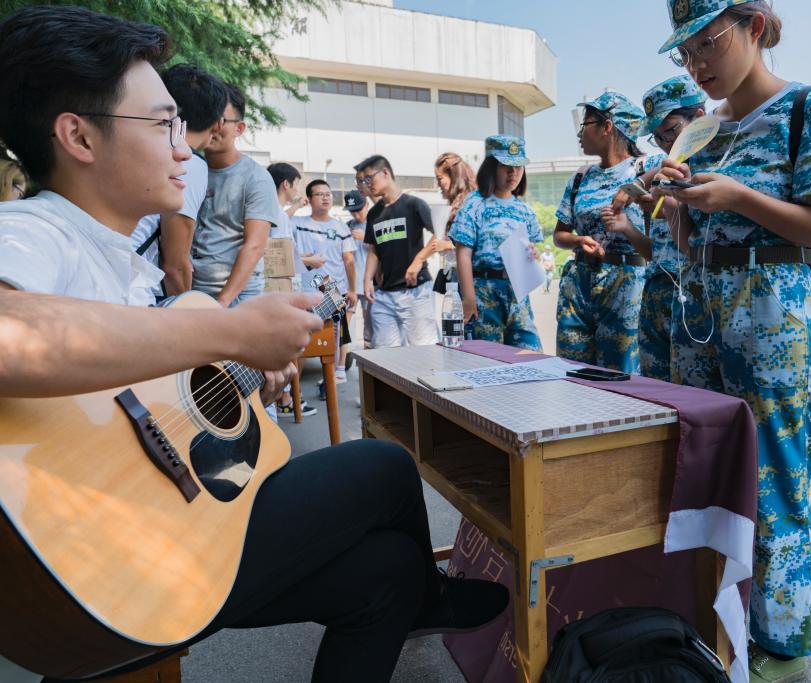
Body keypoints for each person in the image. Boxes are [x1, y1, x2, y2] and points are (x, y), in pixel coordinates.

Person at [0, 7, 508, 683]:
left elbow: (143, 394)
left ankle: (419, 595)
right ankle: (432, 596)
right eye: (163, 125)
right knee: (384, 465)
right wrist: (233, 330)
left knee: (386, 572)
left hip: (158, 534)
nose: (185, 149)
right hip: (115, 555)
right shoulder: (34, 230)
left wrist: (236, 382)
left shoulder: (127, 264)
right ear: (78, 137)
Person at [656, 2, 811, 680]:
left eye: (708, 43)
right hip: (702, 315)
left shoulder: (810, 107)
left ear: (753, 25)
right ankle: (716, 619)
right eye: (685, 53)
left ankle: (781, 643)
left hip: (774, 317)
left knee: (774, 482)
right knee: (706, 472)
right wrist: (680, 201)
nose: (697, 65)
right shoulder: (705, 129)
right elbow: (691, 239)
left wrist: (739, 197)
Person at [607, 74, 706, 381]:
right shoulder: (662, 172)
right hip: (657, 289)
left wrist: (672, 208)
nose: (666, 144)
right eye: (658, 138)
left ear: (699, 118)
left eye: (671, 131)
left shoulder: (716, 166)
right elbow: (656, 251)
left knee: (695, 391)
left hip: (697, 293)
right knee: (656, 389)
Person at [553, 91, 647, 372]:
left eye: (585, 124)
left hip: (625, 285)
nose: (580, 133)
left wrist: (635, 189)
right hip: (579, 284)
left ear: (607, 127)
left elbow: (672, 169)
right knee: (572, 370)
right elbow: (559, 235)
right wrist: (578, 240)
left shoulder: (643, 170)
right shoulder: (580, 177)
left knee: (620, 374)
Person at [131, 64, 227, 297]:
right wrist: (184, 311)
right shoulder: (189, 163)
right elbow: (174, 265)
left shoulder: (140, 145)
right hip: (132, 285)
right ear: (219, 123)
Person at [449, 135, 544, 350]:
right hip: (484, 292)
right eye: (506, 167)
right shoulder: (474, 204)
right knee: (489, 358)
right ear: (491, 167)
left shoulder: (524, 210)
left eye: (518, 167)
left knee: (531, 355)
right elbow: (463, 253)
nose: (513, 173)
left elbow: (531, 249)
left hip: (518, 294)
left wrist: (532, 253)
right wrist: (469, 299)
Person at [191, 84, 278, 306]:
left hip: (236, 296)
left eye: (220, 119)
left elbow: (255, 246)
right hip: (191, 290)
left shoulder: (256, 178)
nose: (213, 125)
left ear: (239, 128)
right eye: (207, 116)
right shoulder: (188, 169)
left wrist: (223, 302)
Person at [356, 155, 439, 348]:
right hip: (384, 295)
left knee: (424, 351)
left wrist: (419, 260)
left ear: (385, 173)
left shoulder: (413, 204)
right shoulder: (374, 213)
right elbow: (373, 249)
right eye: (363, 180)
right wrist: (367, 279)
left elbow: (440, 233)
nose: (367, 184)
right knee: (385, 355)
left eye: (369, 178)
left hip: (415, 292)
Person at [293, 179, 358, 384]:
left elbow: (349, 260)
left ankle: (336, 374)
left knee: (336, 333)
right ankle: (293, 387)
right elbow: (278, 220)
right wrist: (297, 204)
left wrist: (352, 289)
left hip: (331, 287)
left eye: (328, 194)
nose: (325, 198)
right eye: (320, 194)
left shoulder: (340, 227)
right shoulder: (298, 223)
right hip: (306, 287)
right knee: (304, 335)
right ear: (309, 198)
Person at [267, 161, 317, 418]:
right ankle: (284, 398)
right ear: (286, 184)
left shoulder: (275, 211)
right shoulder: (273, 211)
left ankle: (285, 397)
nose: (298, 190)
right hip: (281, 289)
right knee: (287, 346)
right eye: (297, 184)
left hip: (285, 286)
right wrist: (308, 261)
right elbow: (278, 254)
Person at [433, 152, 476, 290]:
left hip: (470, 278)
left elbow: (479, 243)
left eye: (440, 179)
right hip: (457, 274)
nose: (438, 185)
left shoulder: (470, 203)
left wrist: (447, 245)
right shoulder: (457, 204)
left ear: (454, 176)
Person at [343, 189, 374, 352]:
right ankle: (342, 352)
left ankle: (370, 354)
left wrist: (366, 237)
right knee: (344, 319)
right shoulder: (348, 226)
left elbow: (384, 249)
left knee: (369, 321)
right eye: (352, 212)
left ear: (367, 205)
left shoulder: (375, 223)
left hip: (370, 282)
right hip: (352, 283)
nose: (356, 215)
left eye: (359, 211)